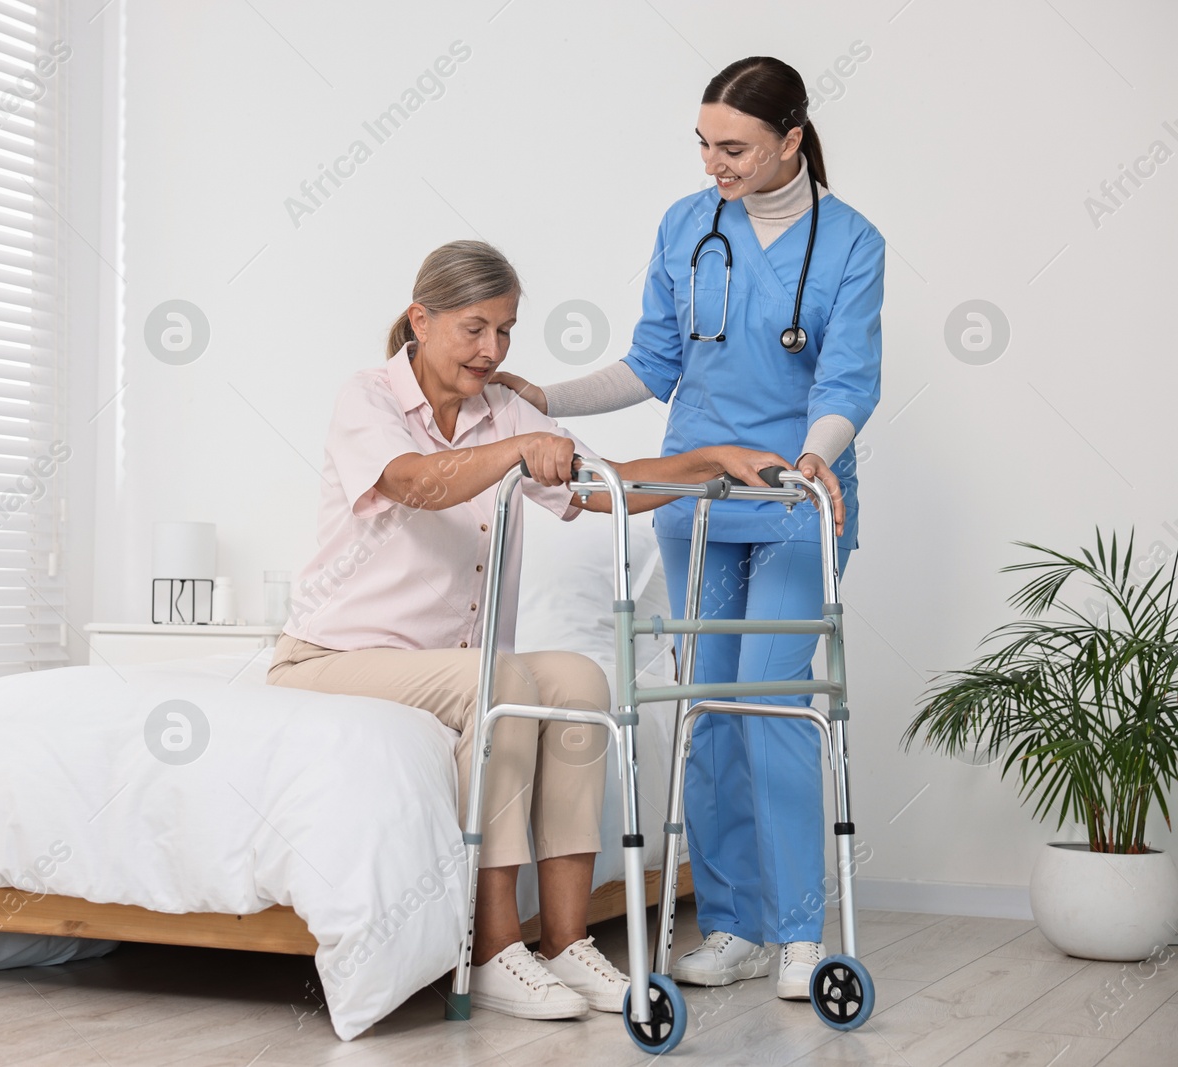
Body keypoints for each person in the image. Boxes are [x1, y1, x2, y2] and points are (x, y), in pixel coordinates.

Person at [267, 239, 835, 1021]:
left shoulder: (499, 407)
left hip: (444, 663)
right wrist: (518, 450)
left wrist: (709, 459)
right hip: (332, 657)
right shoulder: (365, 397)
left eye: (504, 331)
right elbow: (413, 483)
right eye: (473, 329)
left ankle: (566, 943)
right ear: (419, 320)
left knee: (576, 680)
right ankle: (496, 947)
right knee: (504, 681)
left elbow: (607, 489)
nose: (491, 350)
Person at [494, 57, 883, 1001]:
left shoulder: (852, 242)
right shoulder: (687, 225)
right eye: (705, 144)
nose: (716, 162)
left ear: (792, 139)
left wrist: (817, 455)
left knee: (771, 702)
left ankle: (799, 931)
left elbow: (847, 383)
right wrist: (546, 393)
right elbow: (652, 363)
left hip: (794, 497)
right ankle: (737, 924)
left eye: (736, 146)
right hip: (697, 503)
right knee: (708, 708)